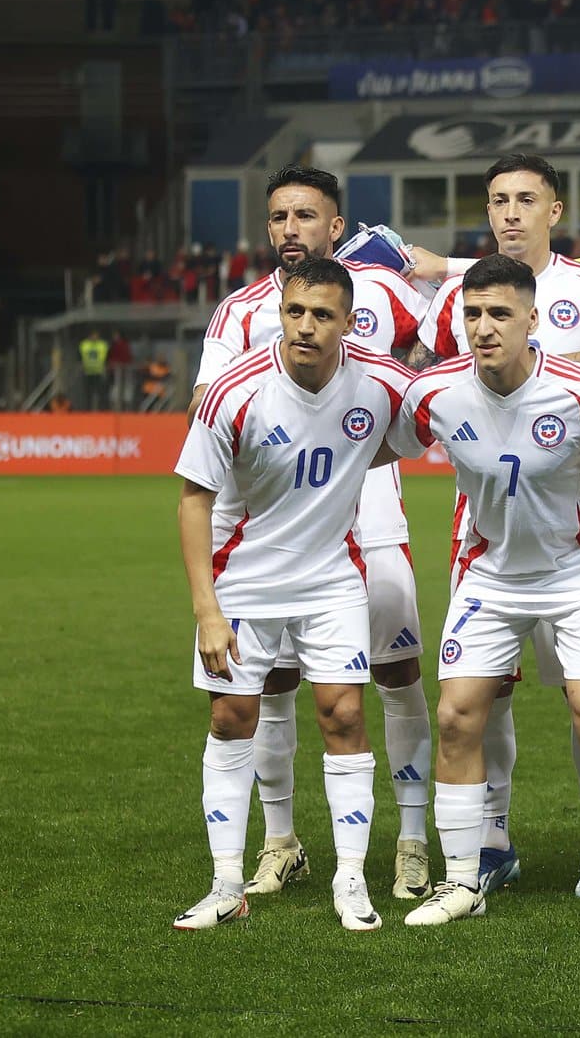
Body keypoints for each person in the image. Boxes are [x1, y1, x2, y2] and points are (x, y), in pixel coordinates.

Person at [190, 166, 435, 903]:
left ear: (336, 226)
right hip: (269, 527)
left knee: (393, 675)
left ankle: (414, 841)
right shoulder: (239, 314)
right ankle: (280, 841)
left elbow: (437, 357)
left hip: (371, 515)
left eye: (306, 215)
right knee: (271, 687)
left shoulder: (382, 292)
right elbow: (207, 403)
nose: (289, 228)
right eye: (278, 217)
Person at [384, 255, 580, 933]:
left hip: (578, 571)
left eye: (500, 313)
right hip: (491, 574)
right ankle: (464, 879)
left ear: (534, 319)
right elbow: (389, 442)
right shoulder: (434, 392)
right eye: (473, 314)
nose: (484, 326)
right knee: (456, 717)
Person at [413, 154, 580, 897]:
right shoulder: (455, 295)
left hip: (571, 525)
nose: (509, 212)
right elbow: (439, 388)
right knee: (483, 693)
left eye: (525, 199)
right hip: (487, 528)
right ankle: (491, 839)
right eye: (498, 199)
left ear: (553, 210)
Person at [78, 329, 111, 412]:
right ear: (90, 336)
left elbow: (107, 357)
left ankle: (102, 409)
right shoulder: (84, 345)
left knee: (101, 393)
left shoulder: (102, 345)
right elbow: (79, 357)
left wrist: (106, 367)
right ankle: (87, 410)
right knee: (88, 393)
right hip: (87, 372)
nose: (95, 337)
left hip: (99, 372)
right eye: (93, 335)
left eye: (96, 335)